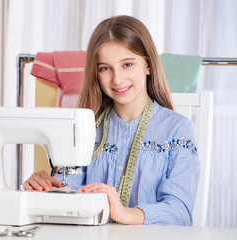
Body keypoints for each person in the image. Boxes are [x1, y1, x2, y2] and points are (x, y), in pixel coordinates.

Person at [23, 15, 200, 226]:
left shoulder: (178, 129)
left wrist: (124, 214)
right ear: (96, 74)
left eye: (127, 64)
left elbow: (180, 213)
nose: (117, 79)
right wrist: (49, 187)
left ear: (149, 65)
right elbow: (69, 193)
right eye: (105, 68)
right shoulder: (88, 129)